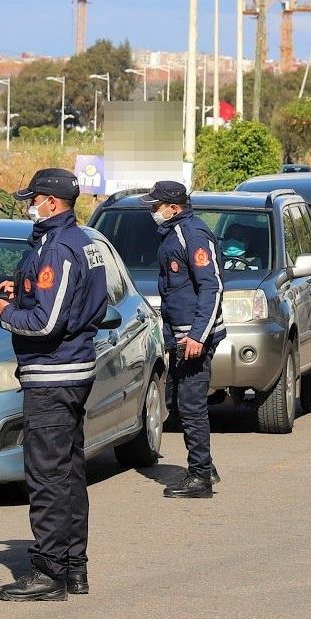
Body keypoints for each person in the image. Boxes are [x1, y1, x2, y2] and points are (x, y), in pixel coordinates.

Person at [0, 168, 108, 601]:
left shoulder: (58, 248)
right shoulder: (83, 242)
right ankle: (74, 567)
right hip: (72, 372)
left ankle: (49, 571)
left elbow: (48, 322)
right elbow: (75, 298)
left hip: (53, 375)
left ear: (53, 203)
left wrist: (8, 314)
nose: (29, 206)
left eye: (33, 199)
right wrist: (20, 291)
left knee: (47, 476)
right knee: (69, 472)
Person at [137, 180, 225, 499]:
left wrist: (198, 335)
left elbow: (211, 287)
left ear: (174, 208)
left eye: (156, 206)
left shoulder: (193, 235)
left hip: (194, 339)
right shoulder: (173, 234)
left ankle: (200, 476)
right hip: (181, 338)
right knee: (179, 402)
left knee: (191, 406)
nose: (152, 211)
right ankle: (205, 466)